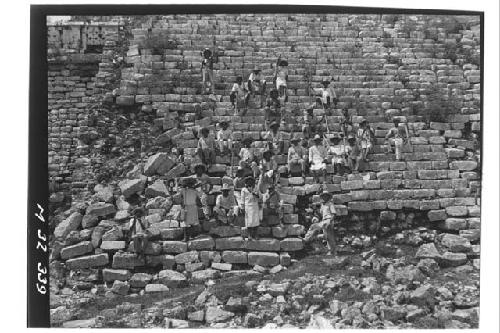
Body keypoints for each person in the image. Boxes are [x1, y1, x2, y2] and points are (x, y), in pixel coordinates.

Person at [304, 191, 337, 255]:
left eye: (326, 196)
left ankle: (333, 251)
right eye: (323, 196)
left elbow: (334, 214)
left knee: (329, 236)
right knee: (314, 227)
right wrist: (315, 215)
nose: (324, 197)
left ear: (328, 197)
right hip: (323, 221)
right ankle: (306, 239)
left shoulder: (330, 204)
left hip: (328, 220)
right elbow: (320, 214)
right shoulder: (322, 205)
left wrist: (330, 221)